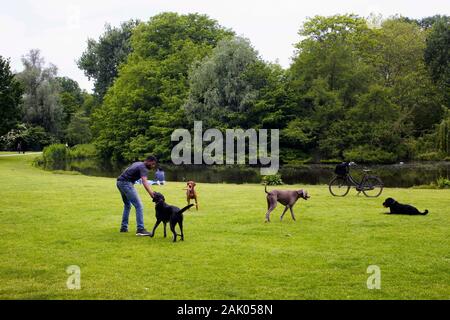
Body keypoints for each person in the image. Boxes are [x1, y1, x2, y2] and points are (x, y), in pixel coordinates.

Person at [116, 155, 157, 236]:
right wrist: (152, 195)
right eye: (152, 164)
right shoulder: (143, 168)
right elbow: (144, 182)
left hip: (119, 182)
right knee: (139, 206)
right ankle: (140, 229)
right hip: (126, 184)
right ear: (148, 161)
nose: (153, 166)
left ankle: (124, 227)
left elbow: (127, 171)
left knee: (127, 205)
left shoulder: (138, 163)